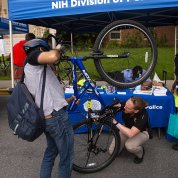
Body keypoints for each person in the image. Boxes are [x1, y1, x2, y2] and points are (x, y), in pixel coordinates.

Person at [23, 39, 74, 178]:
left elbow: (46, 93)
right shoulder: (33, 57)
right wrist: (57, 48)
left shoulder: (32, 68)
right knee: (66, 156)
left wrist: (66, 101)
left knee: (51, 152)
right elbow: (53, 56)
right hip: (56, 117)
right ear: (40, 49)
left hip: (47, 117)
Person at [109, 96, 150, 164]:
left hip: (141, 132)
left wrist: (115, 122)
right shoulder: (128, 104)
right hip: (127, 128)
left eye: (128, 108)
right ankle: (122, 144)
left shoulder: (143, 115)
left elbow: (131, 133)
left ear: (136, 110)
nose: (124, 107)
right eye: (125, 105)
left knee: (129, 146)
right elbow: (118, 106)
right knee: (112, 152)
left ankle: (140, 152)